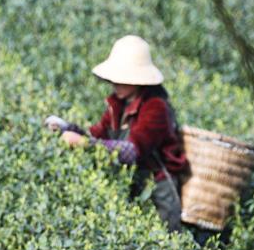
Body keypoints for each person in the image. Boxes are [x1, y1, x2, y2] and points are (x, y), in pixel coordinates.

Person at [44, 35, 188, 232]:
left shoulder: (156, 107)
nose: (115, 83)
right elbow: (97, 134)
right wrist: (66, 127)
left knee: (166, 236)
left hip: (158, 189)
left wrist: (84, 144)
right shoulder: (118, 104)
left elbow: (132, 151)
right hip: (133, 185)